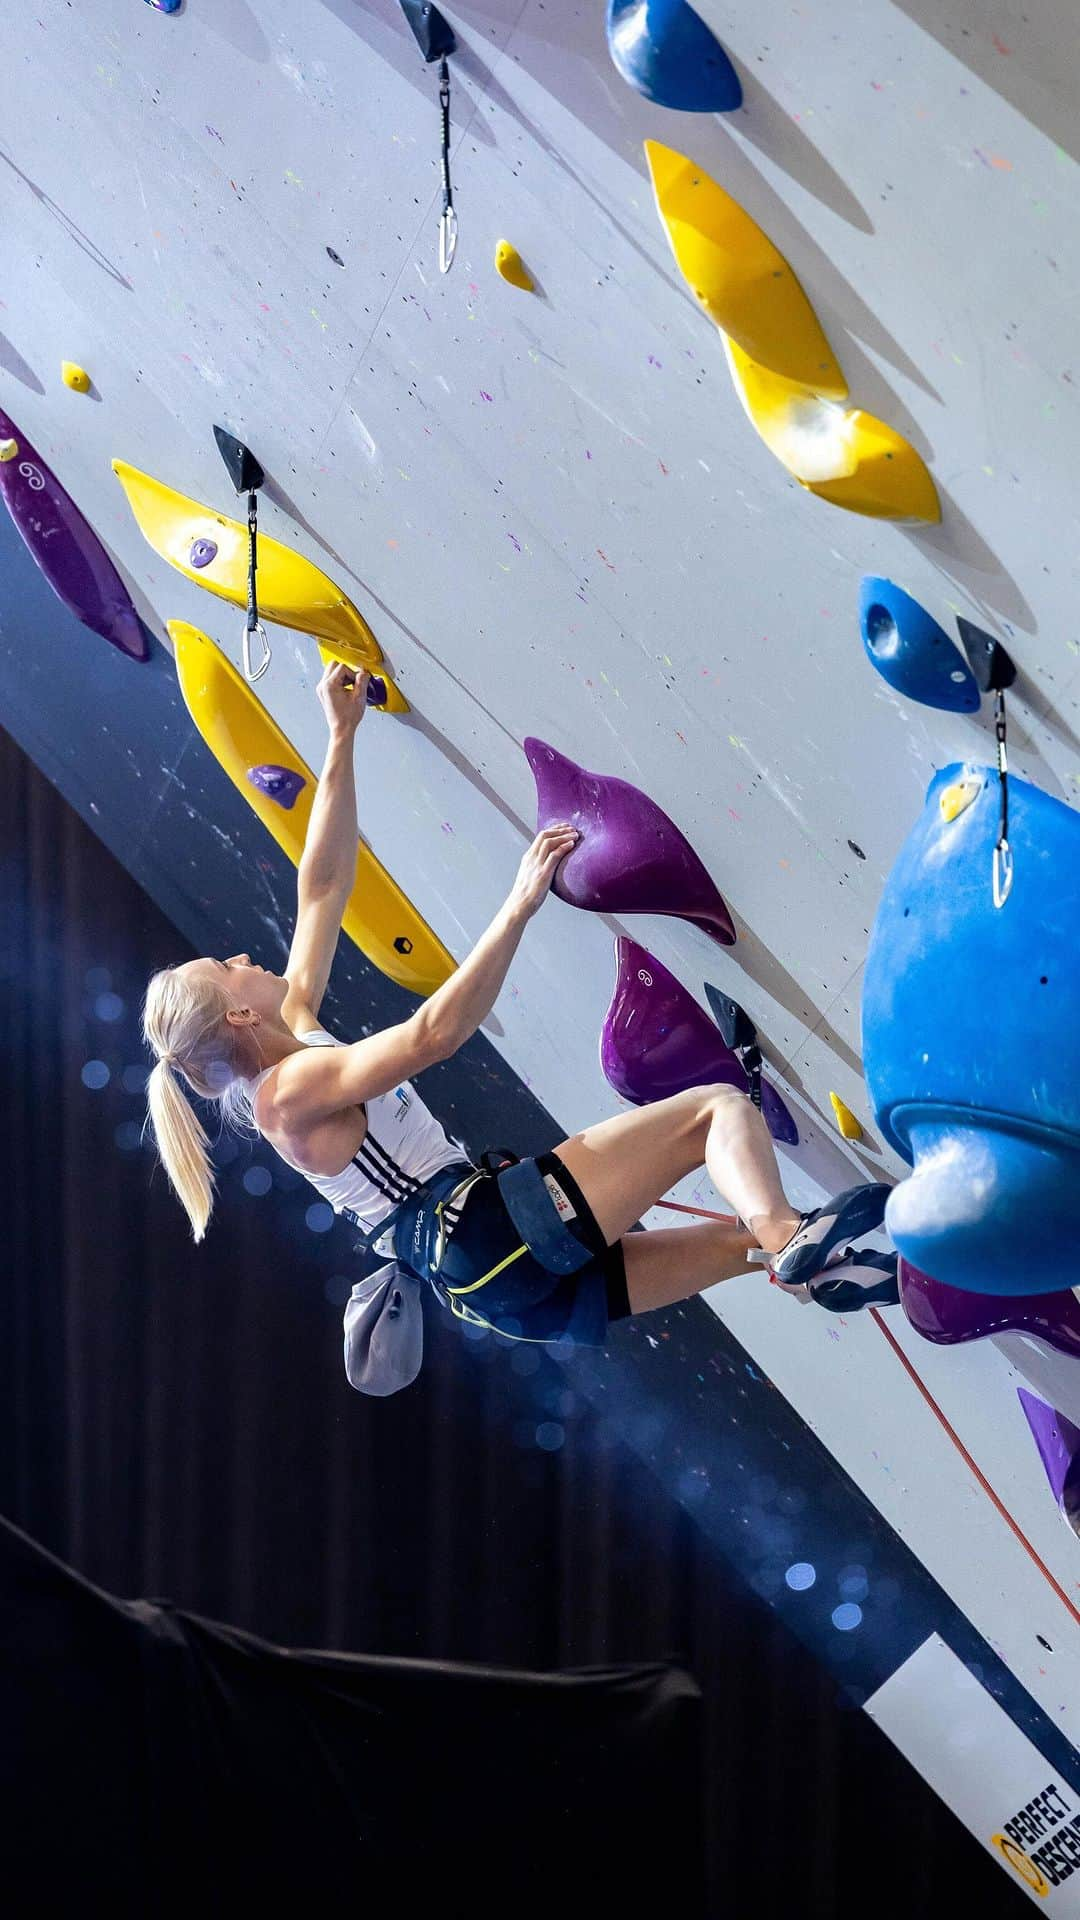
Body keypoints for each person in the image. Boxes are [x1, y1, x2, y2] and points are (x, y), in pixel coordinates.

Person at [142, 662, 894, 1362]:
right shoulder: (285, 1098)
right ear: (239, 1016)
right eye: (229, 968)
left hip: (490, 1278)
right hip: (482, 1236)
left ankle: (817, 1264)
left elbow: (324, 885)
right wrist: (519, 904)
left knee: (741, 1246)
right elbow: (433, 1035)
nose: (245, 957)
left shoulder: (296, 1035)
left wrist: (340, 737)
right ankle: (795, 1239)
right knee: (717, 1112)